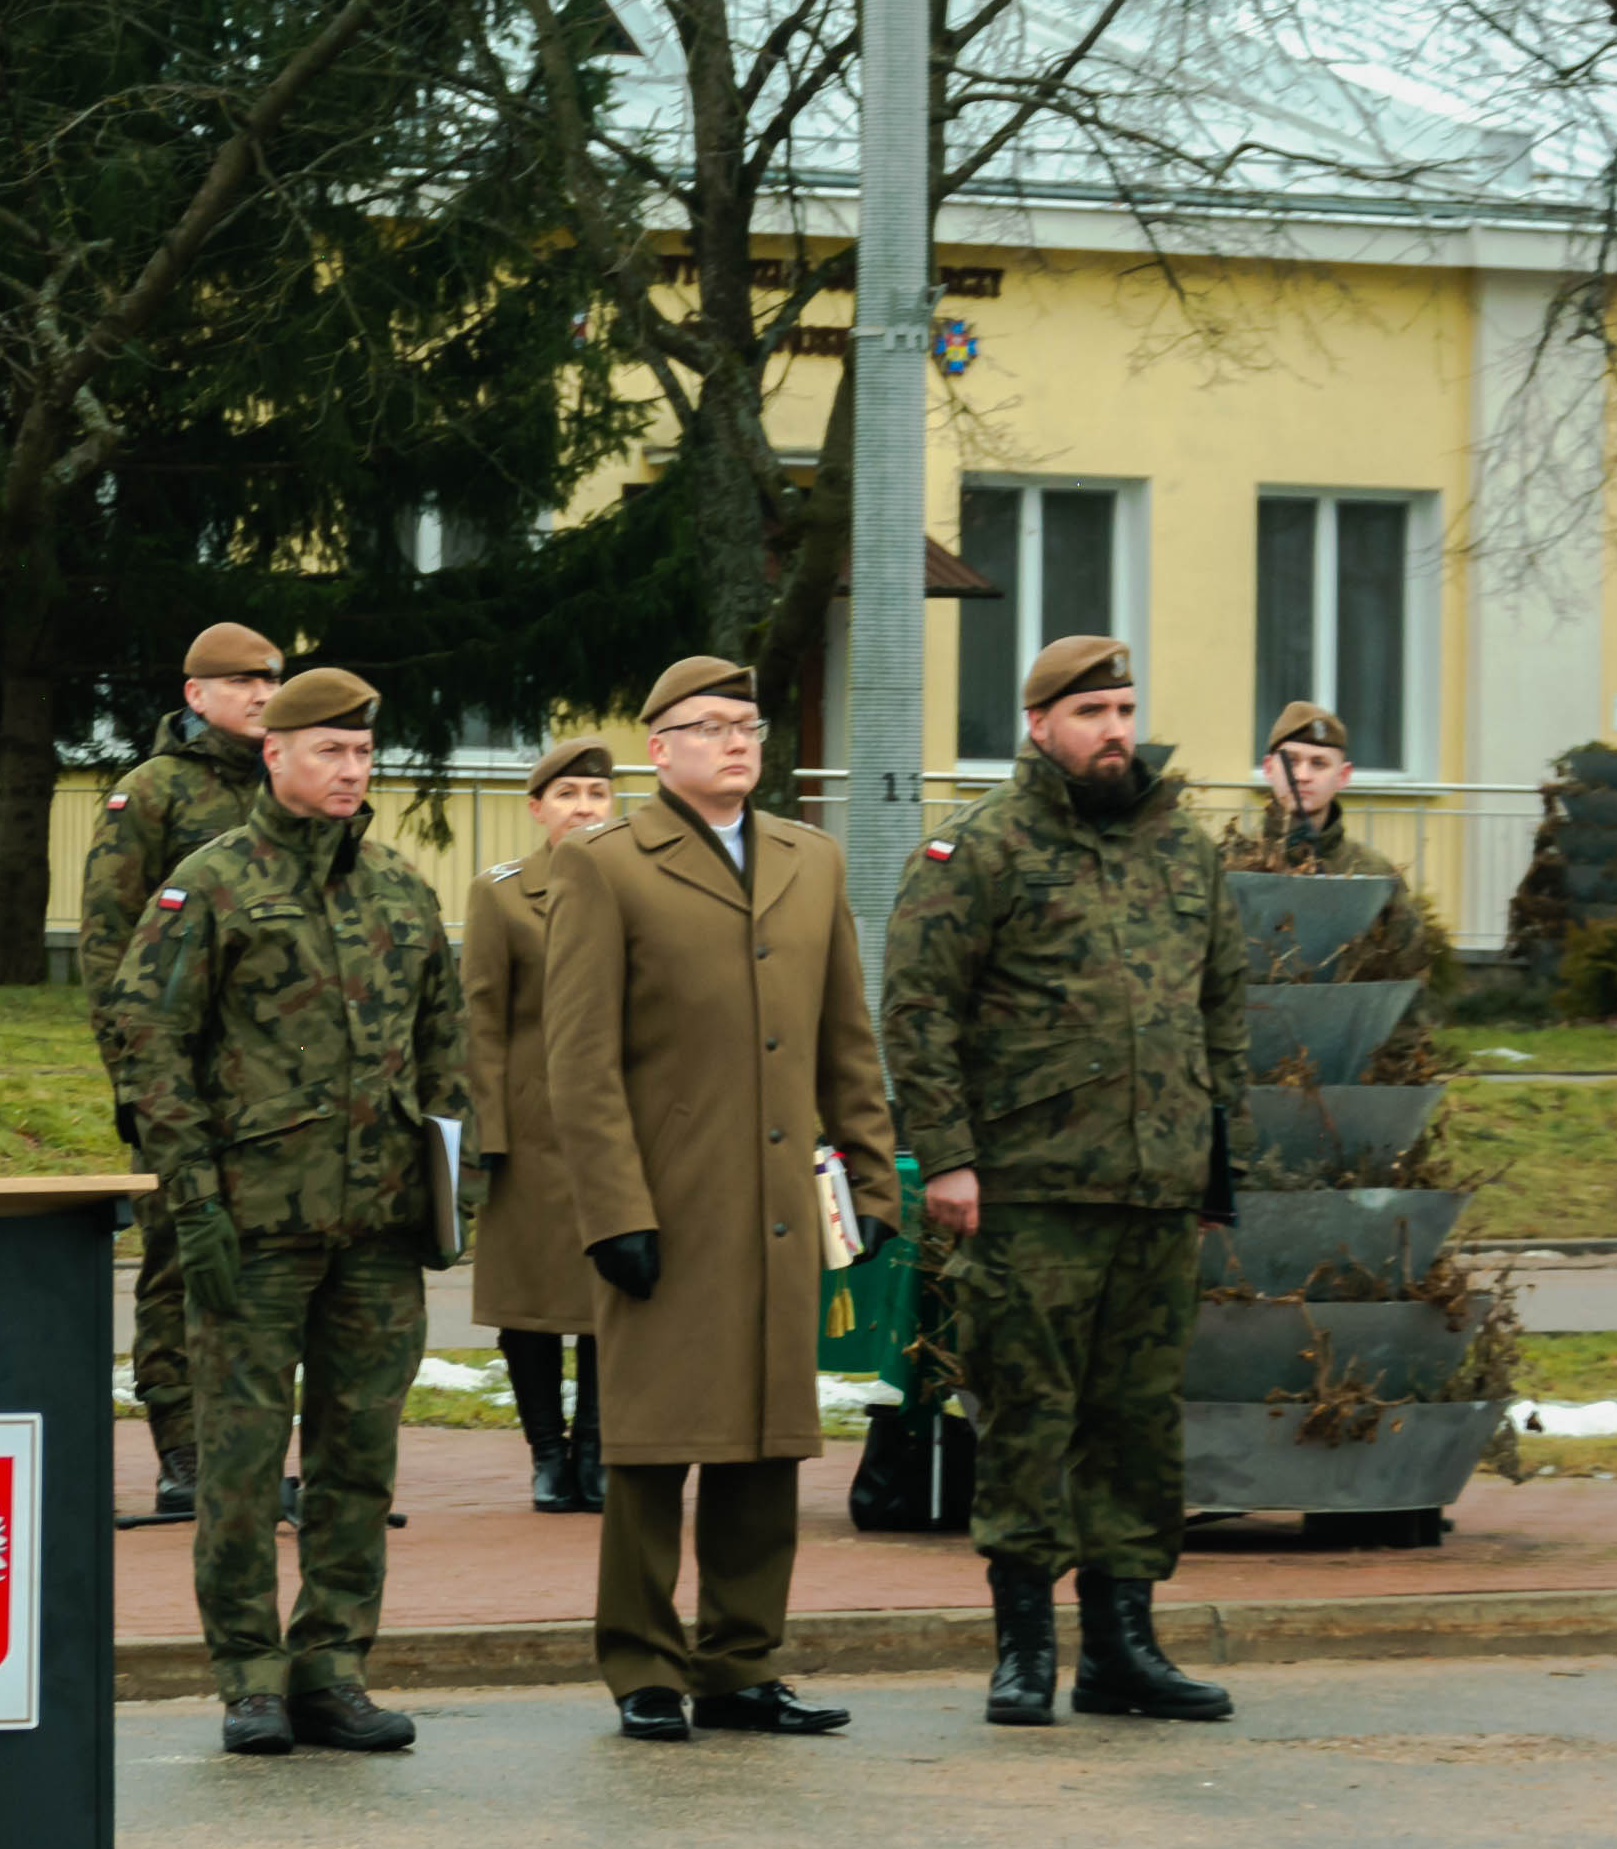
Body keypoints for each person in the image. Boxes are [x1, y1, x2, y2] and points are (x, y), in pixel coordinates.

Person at [886, 635, 1247, 1731]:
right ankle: (1024, 1649)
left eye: (1125, 709)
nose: (1115, 731)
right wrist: (947, 1155)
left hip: (1154, 1188)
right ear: (1039, 725)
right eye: (1092, 712)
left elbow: (1222, 1007)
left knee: (1138, 1422)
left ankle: (1124, 1648)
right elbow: (919, 1011)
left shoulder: (1182, 848)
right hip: (1029, 1188)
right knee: (1029, 1416)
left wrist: (1210, 1163)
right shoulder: (978, 849)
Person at [105, 664, 466, 1755]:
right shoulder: (211, 883)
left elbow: (447, 1047)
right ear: (275, 755)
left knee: (359, 1459)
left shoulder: (400, 889)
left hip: (379, 1226)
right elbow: (149, 1040)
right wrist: (191, 1202)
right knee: (242, 1461)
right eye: (329, 752)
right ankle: (249, 1674)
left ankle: (333, 1666)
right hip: (253, 1224)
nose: (351, 771)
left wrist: (454, 1186)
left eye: (362, 753)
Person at [545, 657, 896, 1742]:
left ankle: (742, 1660)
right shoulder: (607, 864)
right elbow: (581, 1061)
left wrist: (872, 1173)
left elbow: (845, 1035)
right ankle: (643, 1663)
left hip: (779, 1203)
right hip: (668, 1201)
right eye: (711, 727)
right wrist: (614, 1210)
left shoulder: (809, 858)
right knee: (653, 1444)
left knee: (765, 1438)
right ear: (659, 749)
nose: (738, 742)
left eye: (748, 725)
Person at [81, 619, 283, 1513]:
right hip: (181, 1077)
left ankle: (249, 1445)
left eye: (271, 681)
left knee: (267, 1262)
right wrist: (134, 1078)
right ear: (196, 694)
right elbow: (107, 944)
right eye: (241, 682)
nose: (261, 695)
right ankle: (183, 1450)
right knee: (175, 1258)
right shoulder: (150, 793)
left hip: (277, 1081)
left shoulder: (288, 784)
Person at [461, 733, 626, 1517]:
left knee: (611, 1291)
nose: (584, 809)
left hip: (615, 1129)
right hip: (529, 1133)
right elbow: (482, 1019)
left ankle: (596, 1448)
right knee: (527, 1304)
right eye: (567, 796)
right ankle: (548, 1455)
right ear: (537, 809)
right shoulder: (500, 895)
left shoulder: (638, 888)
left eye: (597, 795)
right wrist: (488, 1134)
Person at [1250, 697, 1445, 1030]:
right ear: (1269, 768)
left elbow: (1405, 980)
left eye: (1319, 764)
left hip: (1345, 1044)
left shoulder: (1374, 876)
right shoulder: (1231, 866)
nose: (1302, 775)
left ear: (1343, 776)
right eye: (1291, 761)